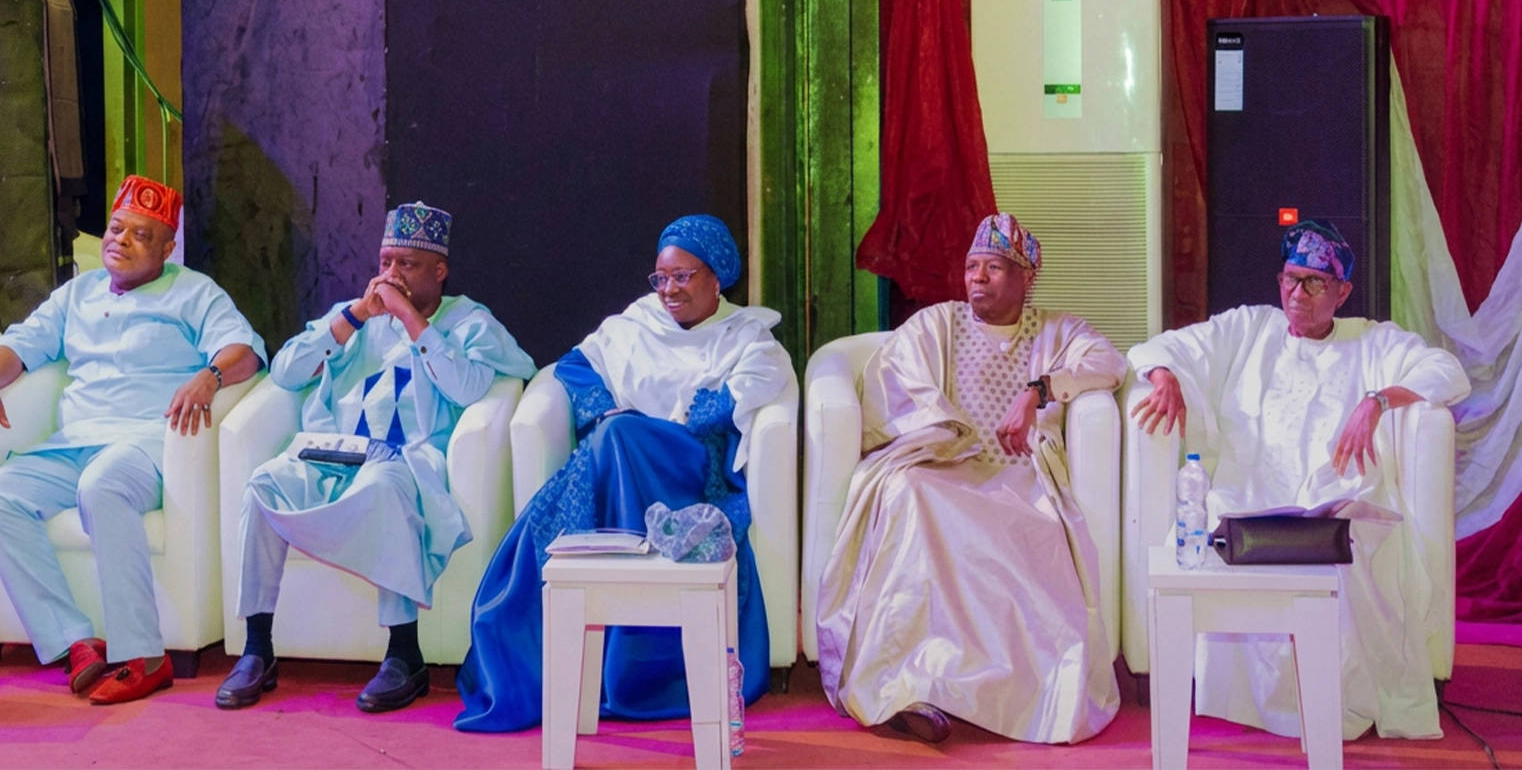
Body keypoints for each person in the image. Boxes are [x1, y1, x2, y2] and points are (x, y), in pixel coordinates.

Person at [1128, 219, 1469, 741]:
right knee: (1210, 527)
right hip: (1249, 493)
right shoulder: (1249, 329)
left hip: (1333, 501)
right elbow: (1164, 347)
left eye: (1314, 282)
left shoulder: (1371, 342)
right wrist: (1165, 377)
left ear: (1343, 291)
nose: (1297, 293)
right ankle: (1243, 702)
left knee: (1359, 548)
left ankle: (1338, 701)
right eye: (1290, 278)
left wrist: (1378, 401)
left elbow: (1447, 372)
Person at [455, 214, 793, 732]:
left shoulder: (746, 337)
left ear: (716, 276)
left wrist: (632, 427)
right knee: (611, 438)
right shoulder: (634, 323)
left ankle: (633, 664)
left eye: (684, 276)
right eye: (662, 277)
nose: (669, 290)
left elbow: (722, 409)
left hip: (687, 467)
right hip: (620, 459)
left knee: (616, 437)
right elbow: (573, 367)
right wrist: (606, 415)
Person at [815, 212, 1124, 745]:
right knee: (908, 494)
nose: (978, 277)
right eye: (972, 266)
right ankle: (904, 688)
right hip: (941, 474)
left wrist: (1039, 391)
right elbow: (892, 384)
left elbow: (1109, 362)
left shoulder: (1057, 330)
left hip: (1020, 484)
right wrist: (949, 435)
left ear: (1027, 278)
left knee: (1041, 534)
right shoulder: (938, 323)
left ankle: (1008, 698)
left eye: (995, 267)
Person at [218, 201, 534, 714]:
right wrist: (354, 317)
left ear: (439, 270)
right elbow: (285, 372)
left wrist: (412, 320)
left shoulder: (470, 321)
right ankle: (257, 648)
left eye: (406, 264)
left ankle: (404, 655)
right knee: (262, 485)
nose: (390, 276)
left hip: (405, 459)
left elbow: (471, 387)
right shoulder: (356, 315)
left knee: (381, 489)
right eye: (386, 262)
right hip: (332, 454)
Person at [0, 176, 264, 705]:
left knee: (102, 486)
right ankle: (75, 641)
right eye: (116, 228)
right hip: (72, 442)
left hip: (144, 445)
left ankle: (145, 657)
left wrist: (208, 377)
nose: (120, 241)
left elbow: (246, 350)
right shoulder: (77, 293)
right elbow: (20, 344)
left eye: (140, 235)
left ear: (168, 250)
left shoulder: (193, 292)